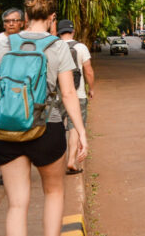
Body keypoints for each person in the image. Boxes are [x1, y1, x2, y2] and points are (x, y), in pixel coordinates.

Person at [0, 0, 88, 236]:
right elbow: (69, 93)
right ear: (52, 19)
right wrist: (80, 132)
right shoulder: (58, 46)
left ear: (25, 18)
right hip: (48, 126)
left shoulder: (4, 45)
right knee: (54, 192)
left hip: (7, 128)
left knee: (16, 204)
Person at [56, 19, 94, 175]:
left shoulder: (53, 47)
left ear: (58, 32)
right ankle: (71, 161)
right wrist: (91, 88)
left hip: (57, 96)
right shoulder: (81, 47)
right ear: (73, 31)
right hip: (77, 94)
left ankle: (55, 163)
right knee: (74, 128)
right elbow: (89, 71)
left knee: (56, 127)